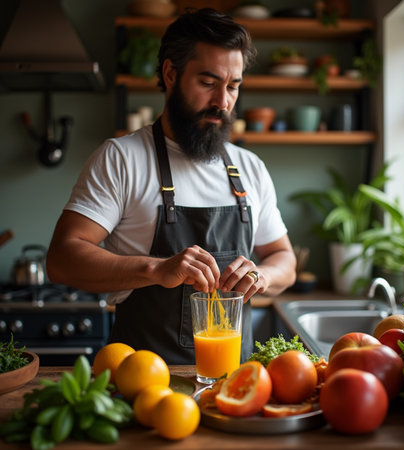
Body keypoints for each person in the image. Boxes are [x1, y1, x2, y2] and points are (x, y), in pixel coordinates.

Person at [46, 8, 296, 364]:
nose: (222, 102)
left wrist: (261, 275)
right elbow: (62, 258)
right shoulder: (122, 158)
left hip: (232, 389)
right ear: (170, 73)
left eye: (233, 86)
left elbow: (284, 260)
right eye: (208, 83)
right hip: (144, 389)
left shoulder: (249, 168)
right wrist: (156, 269)